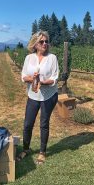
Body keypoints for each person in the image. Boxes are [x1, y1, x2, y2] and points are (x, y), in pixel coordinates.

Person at [17, 30, 59, 164]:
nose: (45, 44)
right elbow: (23, 76)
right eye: (41, 41)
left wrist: (44, 82)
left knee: (44, 123)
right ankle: (26, 149)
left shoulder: (52, 58)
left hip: (48, 95)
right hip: (33, 95)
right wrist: (31, 79)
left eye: (46, 41)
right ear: (35, 44)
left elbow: (55, 77)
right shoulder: (29, 58)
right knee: (28, 124)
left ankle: (42, 152)